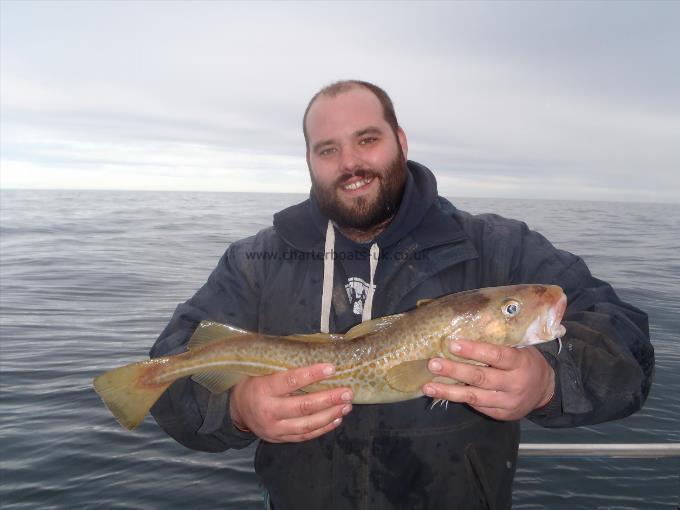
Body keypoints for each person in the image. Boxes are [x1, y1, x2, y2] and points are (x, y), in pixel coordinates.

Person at [150, 80, 654, 510]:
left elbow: (628, 343)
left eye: (367, 139)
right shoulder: (254, 262)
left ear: (401, 141)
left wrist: (548, 382)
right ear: (309, 160)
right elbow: (167, 375)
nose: (350, 162)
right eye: (328, 149)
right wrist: (237, 409)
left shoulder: (498, 248)